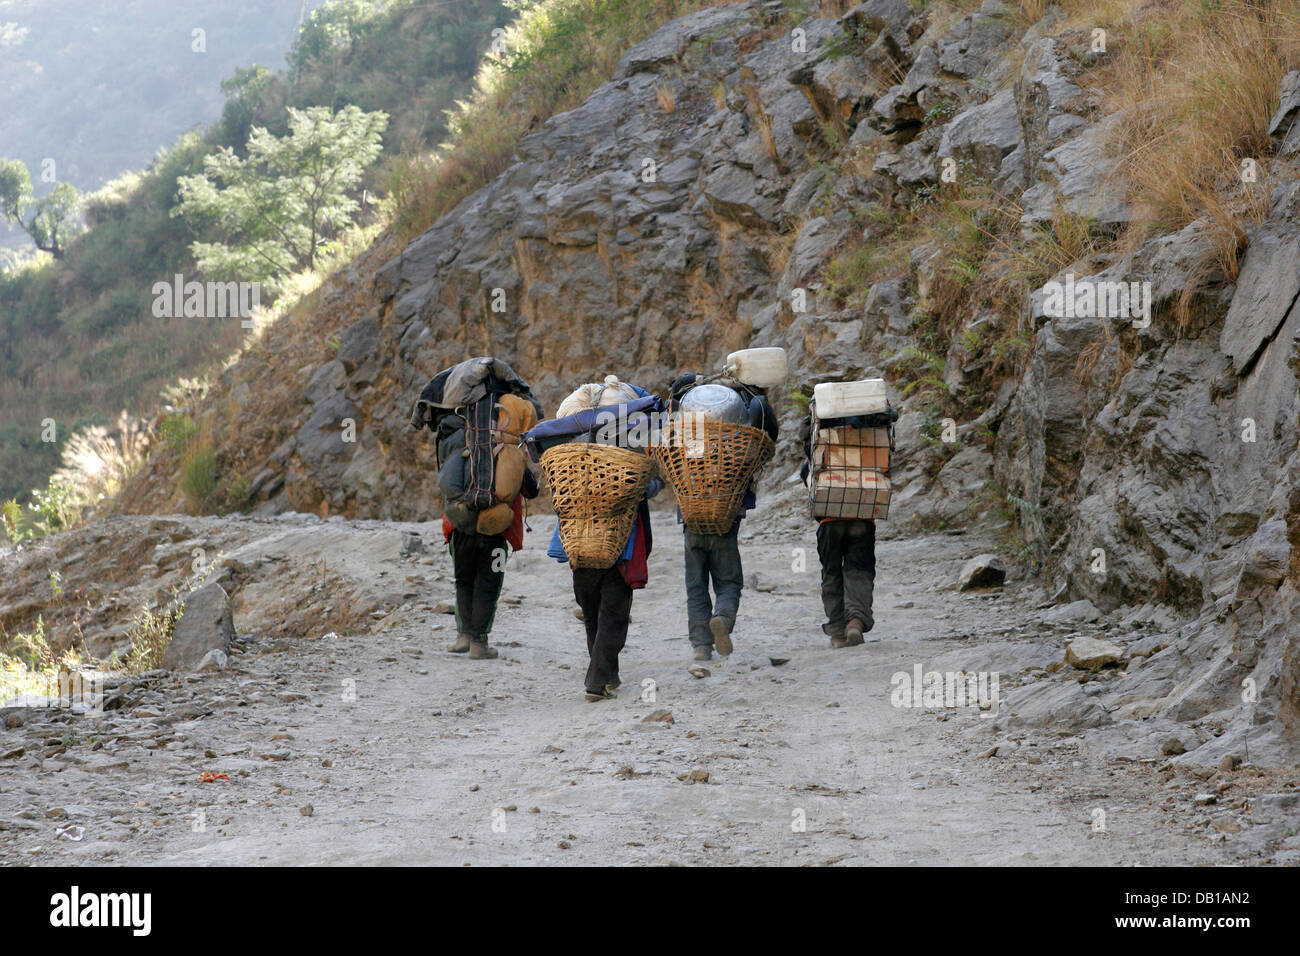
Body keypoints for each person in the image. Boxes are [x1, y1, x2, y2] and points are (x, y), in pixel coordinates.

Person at [544, 380, 661, 701]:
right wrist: (655, 483)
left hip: (578, 540)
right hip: (621, 540)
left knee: (591, 609)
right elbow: (646, 487)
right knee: (615, 611)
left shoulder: (571, 453)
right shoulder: (628, 447)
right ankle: (597, 679)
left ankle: (607, 672)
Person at [668, 373, 779, 661]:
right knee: (729, 582)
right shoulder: (738, 442)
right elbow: (766, 443)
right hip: (726, 519)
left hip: (691, 519)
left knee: (696, 586)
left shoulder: (683, 439)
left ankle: (701, 647)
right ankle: (723, 619)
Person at [798, 406, 885, 647]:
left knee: (832, 573)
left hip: (829, 520)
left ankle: (837, 631)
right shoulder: (870, 440)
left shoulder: (818, 433)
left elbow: (806, 466)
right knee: (859, 570)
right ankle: (855, 621)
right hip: (862, 518)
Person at [444, 467, 539, 659]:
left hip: (460, 530)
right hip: (497, 535)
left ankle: (463, 635)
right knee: (489, 585)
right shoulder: (510, 455)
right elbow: (532, 491)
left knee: (463, 581)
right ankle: (479, 643)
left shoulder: (460, 449)